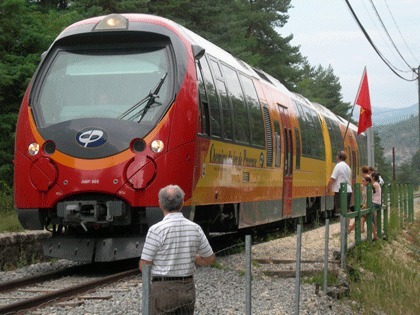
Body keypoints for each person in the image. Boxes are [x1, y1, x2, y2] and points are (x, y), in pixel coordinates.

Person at [139, 184, 216, 314]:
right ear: (182, 203)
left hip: (163, 289)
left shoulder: (156, 230)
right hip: (187, 288)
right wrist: (194, 258)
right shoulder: (195, 228)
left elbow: (144, 265)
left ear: (160, 204)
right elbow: (210, 259)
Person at [328, 151, 352, 217]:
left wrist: (328, 188)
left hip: (341, 190)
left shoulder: (338, 166)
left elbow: (332, 178)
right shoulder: (348, 167)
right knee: (347, 209)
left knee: (340, 210)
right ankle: (346, 226)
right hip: (349, 190)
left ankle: (343, 226)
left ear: (338, 157)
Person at [370, 173, 381, 240]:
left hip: (374, 203)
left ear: (373, 178)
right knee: (364, 217)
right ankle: (375, 233)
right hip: (377, 203)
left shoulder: (375, 184)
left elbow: (369, 192)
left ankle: (375, 235)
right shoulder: (377, 184)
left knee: (368, 218)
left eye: (370, 176)